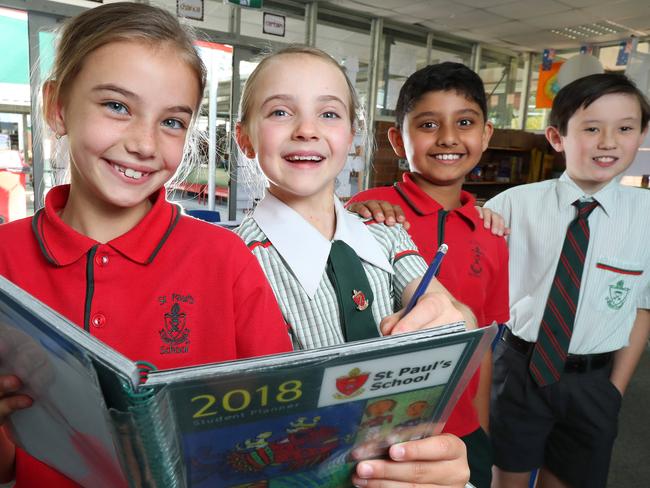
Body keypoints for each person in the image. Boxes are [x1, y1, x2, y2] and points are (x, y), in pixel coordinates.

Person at [0, 3, 292, 486]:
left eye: (172, 121)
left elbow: (276, 433)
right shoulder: (6, 258)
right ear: (57, 106)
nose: (144, 143)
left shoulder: (226, 261)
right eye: (117, 106)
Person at [234, 45, 476, 488]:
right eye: (280, 112)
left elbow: (449, 309)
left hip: (400, 467)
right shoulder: (234, 260)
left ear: (352, 136)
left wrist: (450, 316)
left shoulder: (385, 234)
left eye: (329, 114)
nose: (307, 130)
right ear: (244, 138)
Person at [347, 62, 510, 488]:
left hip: (460, 430)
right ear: (397, 138)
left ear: (486, 135)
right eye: (428, 124)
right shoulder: (370, 209)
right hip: (375, 426)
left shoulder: (491, 233)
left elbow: (485, 346)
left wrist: (481, 429)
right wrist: (351, 213)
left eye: (465, 123)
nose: (449, 138)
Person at [485, 73, 650, 488]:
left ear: (642, 135)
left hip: (594, 381)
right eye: (592, 128)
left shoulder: (646, 216)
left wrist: (615, 389)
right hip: (520, 369)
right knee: (508, 476)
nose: (608, 141)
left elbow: (643, 307)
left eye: (625, 129)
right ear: (557, 137)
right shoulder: (511, 205)